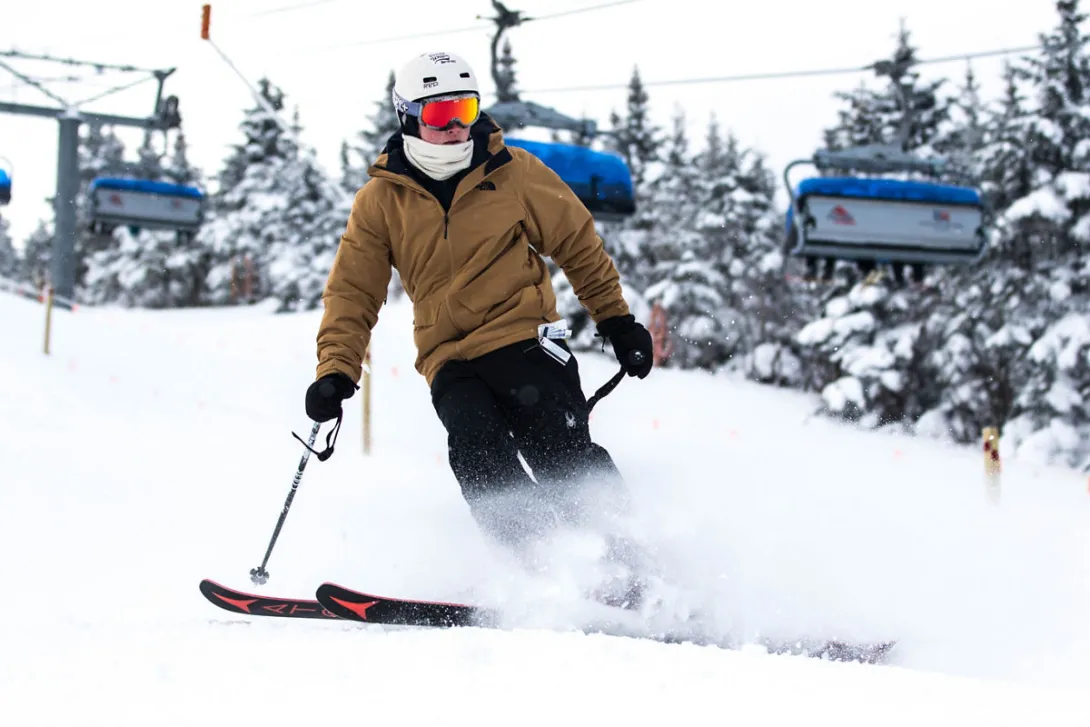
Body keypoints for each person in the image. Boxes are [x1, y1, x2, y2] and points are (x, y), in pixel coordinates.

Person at [303, 51, 654, 603]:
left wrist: (617, 319)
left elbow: (578, 244)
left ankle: (634, 567)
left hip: (525, 340)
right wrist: (336, 371)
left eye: (465, 110)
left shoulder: (513, 172)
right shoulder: (381, 201)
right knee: (477, 453)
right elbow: (353, 291)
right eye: (440, 115)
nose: (456, 127)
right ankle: (545, 576)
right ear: (408, 117)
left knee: (557, 449)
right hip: (449, 359)